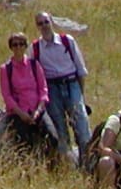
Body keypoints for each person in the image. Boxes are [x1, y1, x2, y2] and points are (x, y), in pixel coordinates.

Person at [33, 11, 91, 163]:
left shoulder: (67, 41)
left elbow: (80, 69)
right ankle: (69, 165)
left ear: (52, 22)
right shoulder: (36, 48)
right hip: (52, 88)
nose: (44, 26)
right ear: (37, 27)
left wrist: (81, 95)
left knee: (81, 125)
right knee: (60, 130)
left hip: (71, 84)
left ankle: (88, 164)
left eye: (46, 22)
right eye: (40, 23)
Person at [0, 32, 56, 157]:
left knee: (53, 138)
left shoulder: (34, 65)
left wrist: (38, 111)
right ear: (11, 47)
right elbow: (7, 96)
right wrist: (21, 114)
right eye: (15, 45)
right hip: (18, 113)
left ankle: (49, 163)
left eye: (21, 44)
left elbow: (43, 89)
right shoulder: (6, 69)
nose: (18, 47)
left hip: (37, 110)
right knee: (24, 145)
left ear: (25, 46)